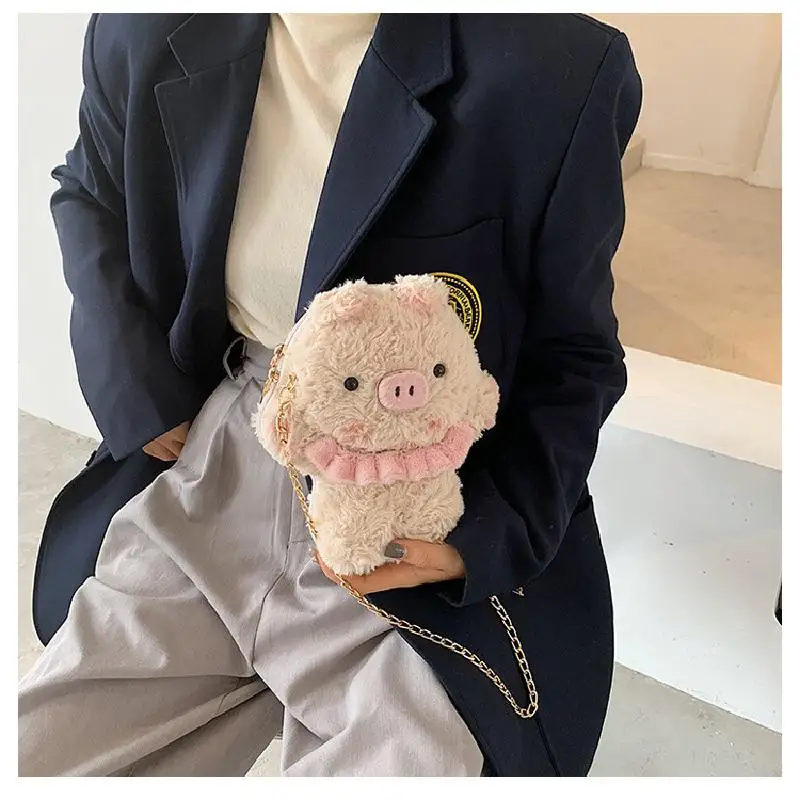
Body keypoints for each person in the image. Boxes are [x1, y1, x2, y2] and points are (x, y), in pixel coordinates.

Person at [19, 13, 642, 777]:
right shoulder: (144, 27)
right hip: (220, 449)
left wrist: (482, 535)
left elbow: (572, 354)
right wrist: (134, 387)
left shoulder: (556, 69)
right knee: (38, 752)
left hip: (415, 500)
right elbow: (88, 191)